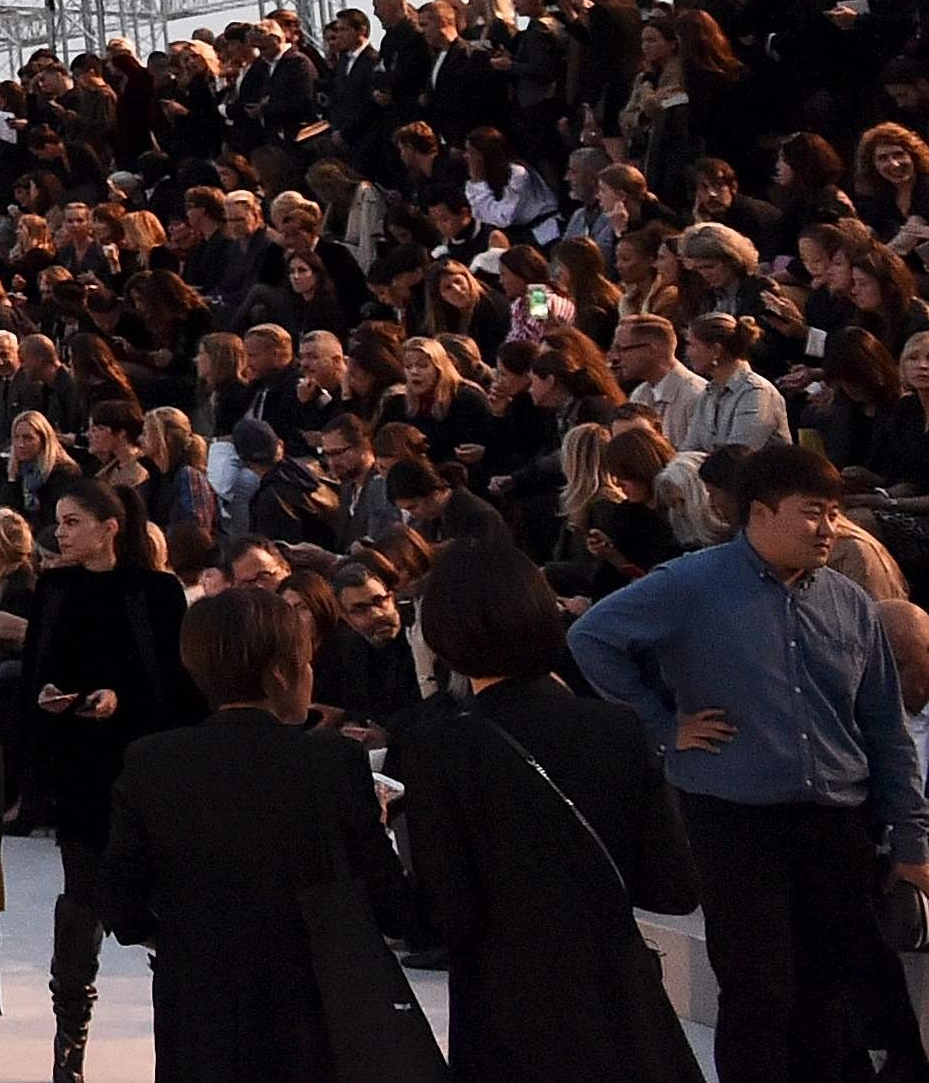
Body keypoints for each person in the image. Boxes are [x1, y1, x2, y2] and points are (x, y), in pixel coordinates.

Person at [570, 441, 929, 1083]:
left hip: (838, 821)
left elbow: (884, 726)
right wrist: (662, 724)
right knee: (759, 988)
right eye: (812, 512)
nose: (827, 529)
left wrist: (910, 837)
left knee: (827, 991)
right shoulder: (690, 583)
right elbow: (591, 636)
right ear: (760, 513)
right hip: (733, 819)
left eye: (833, 513)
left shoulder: (849, 603)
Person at [384, 537, 699, 1083]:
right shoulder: (616, 728)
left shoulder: (438, 748)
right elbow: (673, 887)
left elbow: (448, 914)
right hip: (619, 1001)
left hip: (509, 1009)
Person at [98, 583, 425, 1083]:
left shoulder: (153, 761)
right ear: (282, 672)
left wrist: (175, 934)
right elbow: (390, 903)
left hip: (198, 997)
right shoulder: (330, 760)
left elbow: (121, 902)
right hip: (311, 1000)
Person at [9, 480, 185, 1083]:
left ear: (110, 527)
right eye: (59, 521)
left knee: (158, 906)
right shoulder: (55, 589)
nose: (60, 532)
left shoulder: (157, 593)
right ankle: (68, 1052)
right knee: (80, 902)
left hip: (143, 769)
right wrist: (47, 697)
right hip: (80, 769)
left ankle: (179, 1045)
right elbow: (35, 670)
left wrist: (119, 699)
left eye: (73, 521)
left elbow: (174, 688)